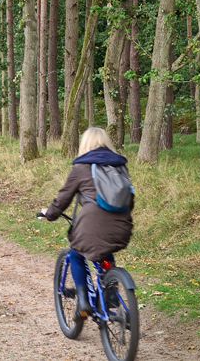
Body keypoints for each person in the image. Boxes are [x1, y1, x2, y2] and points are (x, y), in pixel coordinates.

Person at [39, 127, 133, 320]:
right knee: (105, 251)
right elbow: (129, 198)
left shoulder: (81, 166)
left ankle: (83, 301)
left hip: (92, 225)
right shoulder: (120, 166)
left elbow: (64, 197)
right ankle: (110, 293)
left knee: (76, 252)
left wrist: (50, 213)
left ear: (85, 144)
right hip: (122, 225)